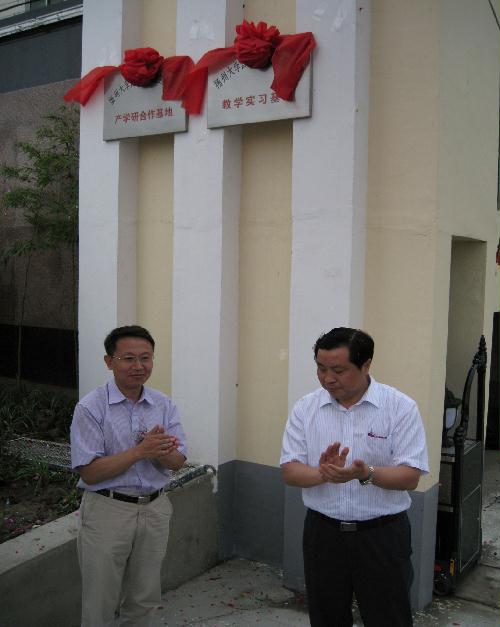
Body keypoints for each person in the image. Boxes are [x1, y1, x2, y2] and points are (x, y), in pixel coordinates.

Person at [280, 327, 429, 627]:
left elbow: (410, 476)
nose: (328, 378)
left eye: (338, 370)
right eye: (321, 369)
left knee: (389, 617)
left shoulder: (399, 407)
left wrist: (365, 474)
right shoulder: (306, 409)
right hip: (324, 534)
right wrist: (323, 473)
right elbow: (290, 470)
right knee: (326, 617)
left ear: (366, 365)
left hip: (382, 535)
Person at [70, 325, 187, 627]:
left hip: (154, 509)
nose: (138, 366)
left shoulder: (163, 404)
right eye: (129, 358)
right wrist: (140, 451)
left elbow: (177, 461)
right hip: (108, 510)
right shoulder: (90, 408)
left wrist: (159, 451)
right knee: (100, 600)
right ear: (109, 362)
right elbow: (90, 472)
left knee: (144, 599)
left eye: (145, 358)